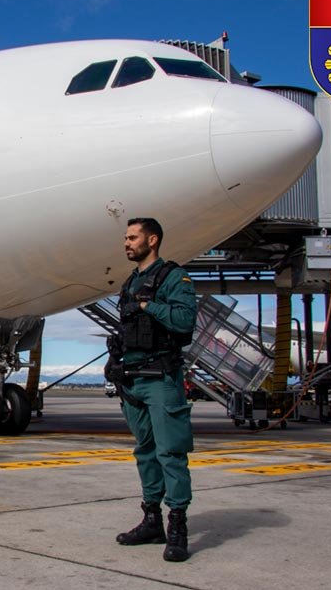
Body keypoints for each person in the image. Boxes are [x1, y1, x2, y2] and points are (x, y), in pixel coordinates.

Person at [108, 218, 197, 562]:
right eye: (126, 238)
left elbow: (185, 321)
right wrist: (115, 359)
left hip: (161, 377)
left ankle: (177, 527)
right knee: (145, 451)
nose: (126, 243)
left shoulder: (174, 277)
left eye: (133, 237)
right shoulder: (130, 282)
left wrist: (148, 305)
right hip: (132, 379)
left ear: (153, 240)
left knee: (170, 452)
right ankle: (152, 520)